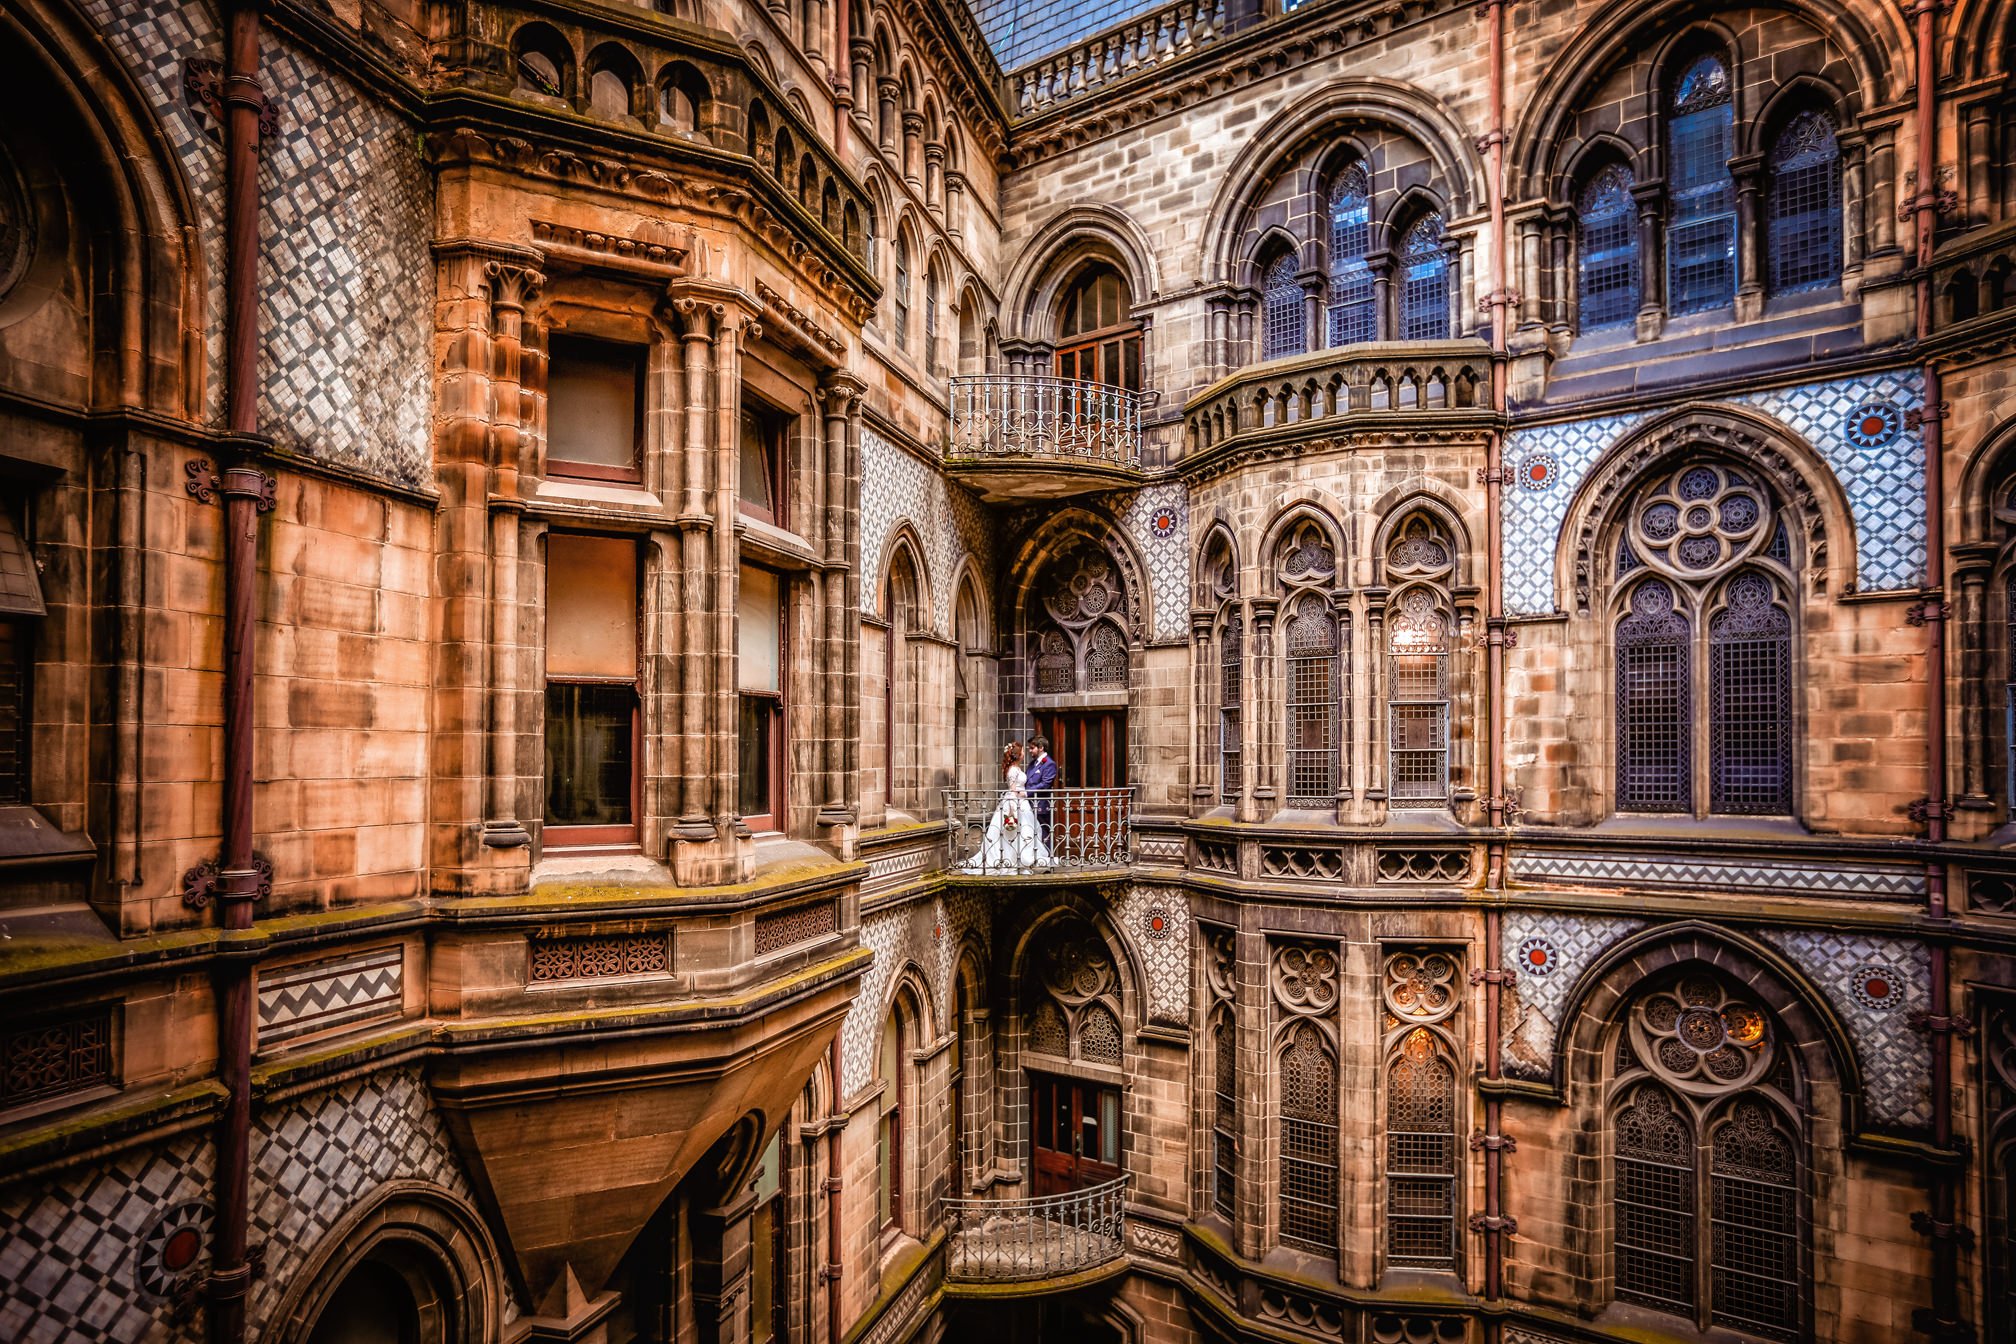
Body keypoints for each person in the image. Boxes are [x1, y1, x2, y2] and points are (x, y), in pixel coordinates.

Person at [961, 742, 1054, 873]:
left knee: (1027, 832)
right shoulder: (1013, 770)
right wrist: (1012, 811)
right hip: (1015, 802)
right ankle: (1014, 862)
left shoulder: (1017, 768)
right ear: (1017, 755)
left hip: (1022, 802)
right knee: (1015, 833)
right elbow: (1012, 791)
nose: (1024, 753)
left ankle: (1025, 860)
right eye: (1022, 751)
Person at [1024, 734, 1058, 854]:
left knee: (1044, 832)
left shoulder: (1049, 764)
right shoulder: (1032, 764)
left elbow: (1045, 784)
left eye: (1032, 748)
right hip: (1028, 804)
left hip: (1041, 806)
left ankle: (1047, 858)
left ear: (1041, 748)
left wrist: (1026, 792)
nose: (1030, 750)